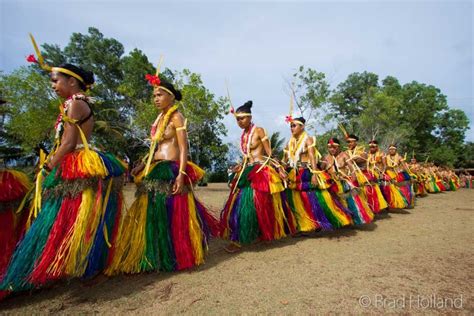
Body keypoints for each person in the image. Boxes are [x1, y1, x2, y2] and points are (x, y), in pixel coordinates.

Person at [1, 62, 127, 294]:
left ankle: (80, 266)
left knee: (71, 218)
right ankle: (60, 265)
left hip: (75, 164)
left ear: (72, 81)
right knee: (65, 219)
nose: (52, 85)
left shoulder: (77, 104)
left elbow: (69, 143)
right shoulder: (71, 104)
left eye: (55, 80)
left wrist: (48, 166)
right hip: (71, 164)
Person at [106, 74, 220, 273]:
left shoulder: (177, 116)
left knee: (173, 212)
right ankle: (156, 254)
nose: (155, 98)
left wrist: (181, 173)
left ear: (171, 97)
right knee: (154, 212)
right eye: (154, 95)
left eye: (160, 95)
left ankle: (178, 253)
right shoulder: (158, 119)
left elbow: (184, 148)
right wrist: (142, 165)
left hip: (171, 168)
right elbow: (155, 147)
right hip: (155, 167)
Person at [220, 101, 294, 252]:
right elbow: (247, 156)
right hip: (247, 170)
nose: (239, 122)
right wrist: (239, 166)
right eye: (237, 119)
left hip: (260, 170)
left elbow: (269, 152)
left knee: (256, 205)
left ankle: (246, 238)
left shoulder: (259, 130)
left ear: (249, 117)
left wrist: (279, 168)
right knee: (240, 204)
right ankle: (242, 236)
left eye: (242, 118)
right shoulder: (244, 135)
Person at [282, 117, 351, 232]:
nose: (292, 128)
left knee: (313, 198)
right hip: (295, 172)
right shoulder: (290, 143)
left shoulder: (308, 140)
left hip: (307, 172)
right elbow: (285, 160)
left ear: (302, 127)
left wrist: (314, 173)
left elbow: (312, 157)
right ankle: (304, 225)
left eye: (294, 125)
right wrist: (280, 169)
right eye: (291, 126)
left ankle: (321, 222)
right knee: (297, 199)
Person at [322, 137, 373, 225]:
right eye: (330, 147)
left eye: (334, 147)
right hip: (332, 184)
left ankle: (352, 219)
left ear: (339, 147)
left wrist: (353, 179)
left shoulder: (344, 155)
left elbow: (352, 168)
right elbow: (321, 170)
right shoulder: (325, 158)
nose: (332, 149)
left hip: (344, 182)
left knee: (350, 202)